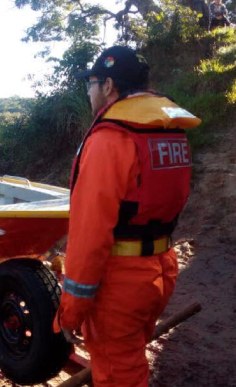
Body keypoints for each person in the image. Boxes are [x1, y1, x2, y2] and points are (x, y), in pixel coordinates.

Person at [54, 46, 201, 387]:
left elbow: (90, 234)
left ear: (108, 86)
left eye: (90, 84)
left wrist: (70, 312)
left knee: (118, 370)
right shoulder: (170, 132)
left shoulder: (110, 139)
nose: (88, 92)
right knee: (131, 356)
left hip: (120, 282)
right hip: (161, 268)